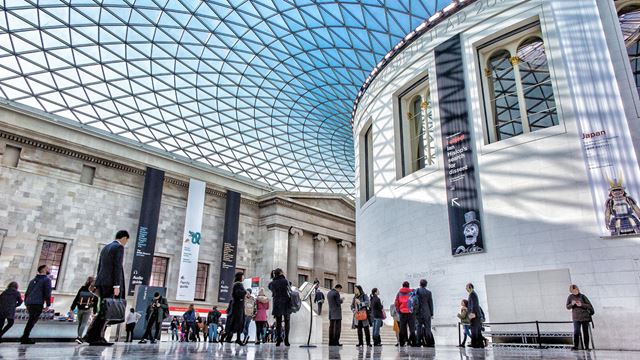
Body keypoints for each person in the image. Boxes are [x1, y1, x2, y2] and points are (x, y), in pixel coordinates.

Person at [83, 230, 129, 346]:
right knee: (106, 311)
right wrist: (117, 285)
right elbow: (117, 266)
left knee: (104, 309)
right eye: (126, 240)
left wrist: (98, 281)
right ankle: (96, 336)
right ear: (124, 238)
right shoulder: (119, 248)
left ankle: (93, 335)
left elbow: (100, 266)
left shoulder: (106, 247)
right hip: (110, 284)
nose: (126, 243)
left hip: (102, 282)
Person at [20, 264, 52, 344]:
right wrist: (48, 304)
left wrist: (26, 303)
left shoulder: (32, 280)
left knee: (31, 320)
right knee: (32, 320)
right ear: (44, 269)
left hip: (29, 302)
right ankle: (24, 338)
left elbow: (27, 293)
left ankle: (25, 337)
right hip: (37, 303)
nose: (49, 269)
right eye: (48, 268)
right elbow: (47, 293)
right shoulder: (46, 280)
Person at [70, 276, 98, 344]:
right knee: (84, 323)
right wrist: (95, 311)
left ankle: (79, 336)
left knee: (80, 323)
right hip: (88, 309)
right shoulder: (94, 289)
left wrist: (72, 308)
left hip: (80, 308)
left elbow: (76, 298)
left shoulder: (82, 288)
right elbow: (96, 301)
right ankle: (79, 337)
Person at [566, 284, 594, 351]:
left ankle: (586, 347)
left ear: (578, 289)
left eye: (576, 290)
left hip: (585, 317)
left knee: (585, 332)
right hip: (576, 318)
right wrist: (572, 304)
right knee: (576, 332)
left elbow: (590, 306)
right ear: (571, 291)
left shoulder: (583, 296)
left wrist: (581, 304)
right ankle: (576, 346)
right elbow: (567, 307)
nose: (575, 291)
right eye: (573, 290)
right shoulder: (570, 297)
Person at [268, 268, 291, 346]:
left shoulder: (272, 283)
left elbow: (270, 288)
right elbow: (289, 290)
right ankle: (286, 340)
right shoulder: (285, 281)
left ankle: (278, 340)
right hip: (286, 303)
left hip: (277, 303)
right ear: (281, 273)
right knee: (287, 322)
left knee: (278, 323)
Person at [225, 272, 246, 345]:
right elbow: (238, 293)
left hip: (238, 306)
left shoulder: (237, 284)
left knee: (235, 323)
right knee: (238, 322)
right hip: (238, 306)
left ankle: (230, 337)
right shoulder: (238, 284)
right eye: (243, 276)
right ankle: (238, 339)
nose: (244, 277)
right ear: (240, 277)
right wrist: (245, 292)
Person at [394, 281, 416, 347]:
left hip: (402, 313)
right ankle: (413, 342)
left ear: (402, 285)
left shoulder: (399, 293)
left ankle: (402, 343)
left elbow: (396, 303)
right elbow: (415, 302)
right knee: (412, 329)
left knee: (402, 329)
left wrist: (399, 311)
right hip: (410, 313)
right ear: (408, 286)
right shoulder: (411, 293)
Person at [415, 279, 434, 347]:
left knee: (418, 327)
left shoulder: (416, 291)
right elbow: (430, 303)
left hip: (418, 312)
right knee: (427, 328)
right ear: (426, 284)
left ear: (420, 284)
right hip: (427, 312)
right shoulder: (429, 292)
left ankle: (418, 342)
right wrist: (431, 313)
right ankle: (428, 342)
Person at [466, 283, 484, 348]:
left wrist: (472, 314)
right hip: (477, 315)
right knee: (478, 331)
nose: (466, 289)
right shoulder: (473, 294)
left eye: (467, 287)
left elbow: (473, 305)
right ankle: (480, 344)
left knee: (474, 330)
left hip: (475, 315)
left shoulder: (472, 294)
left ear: (470, 287)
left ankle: (475, 344)